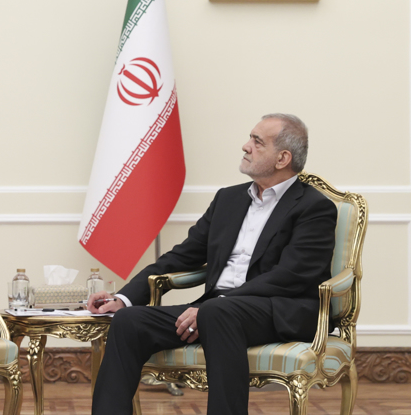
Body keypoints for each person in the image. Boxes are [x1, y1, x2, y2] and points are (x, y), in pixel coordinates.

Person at [87, 113, 337, 415]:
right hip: (216, 311)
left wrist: (214, 305)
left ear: (283, 158)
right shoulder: (228, 199)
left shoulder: (315, 207)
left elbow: (290, 276)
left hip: (277, 310)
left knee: (218, 311)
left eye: (257, 142)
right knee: (129, 322)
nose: (246, 146)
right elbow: (183, 254)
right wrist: (124, 298)